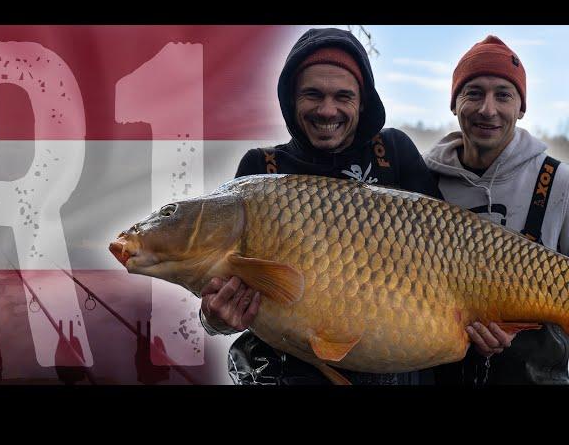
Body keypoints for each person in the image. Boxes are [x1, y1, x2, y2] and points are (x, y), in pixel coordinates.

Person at [199, 27, 443, 385]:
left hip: (392, 362)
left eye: (343, 96)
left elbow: (453, 253)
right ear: (290, 99)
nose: (327, 110)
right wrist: (214, 319)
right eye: (312, 94)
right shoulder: (260, 172)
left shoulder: (393, 152)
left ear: (363, 101)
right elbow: (218, 296)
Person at [424, 35, 569, 385]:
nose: (488, 109)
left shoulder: (559, 181)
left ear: (521, 108)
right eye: (473, 93)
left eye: (503, 95)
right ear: (454, 103)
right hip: (440, 368)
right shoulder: (423, 180)